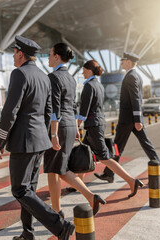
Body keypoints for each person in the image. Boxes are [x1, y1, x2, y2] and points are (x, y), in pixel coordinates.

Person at [0, 35, 74, 240]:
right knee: (28, 189)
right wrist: (42, 134)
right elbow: (49, 111)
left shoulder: (19, 74)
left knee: (20, 190)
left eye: (14, 53)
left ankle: (60, 226)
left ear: (21, 54)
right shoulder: (43, 76)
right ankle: (27, 233)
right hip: (39, 139)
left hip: (24, 141)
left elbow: (10, 112)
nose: (13, 56)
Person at [44, 43, 106, 218]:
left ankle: (57, 211)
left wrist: (53, 133)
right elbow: (72, 105)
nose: (48, 57)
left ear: (57, 56)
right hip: (70, 124)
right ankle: (88, 197)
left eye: (50, 54)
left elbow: (54, 107)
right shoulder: (71, 78)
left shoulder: (53, 77)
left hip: (59, 127)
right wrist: (76, 128)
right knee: (59, 168)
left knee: (53, 169)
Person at [94, 52, 160, 184]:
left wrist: (138, 120)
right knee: (144, 145)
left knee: (118, 146)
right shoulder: (135, 76)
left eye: (123, 61)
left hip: (128, 120)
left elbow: (136, 99)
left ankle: (109, 173)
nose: (121, 63)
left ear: (129, 62)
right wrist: (138, 119)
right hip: (132, 119)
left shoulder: (131, 76)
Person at [77, 59, 144, 198]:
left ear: (89, 70)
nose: (82, 72)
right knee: (85, 154)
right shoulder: (99, 85)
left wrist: (76, 125)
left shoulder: (89, 86)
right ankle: (79, 184)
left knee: (105, 158)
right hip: (96, 124)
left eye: (84, 69)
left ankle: (132, 181)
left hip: (93, 125)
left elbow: (84, 110)